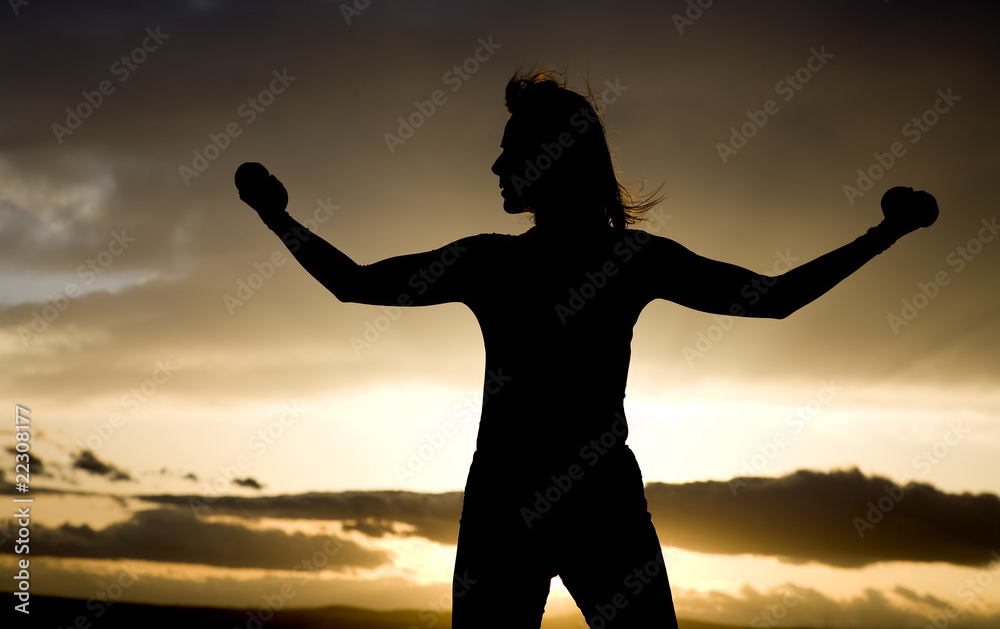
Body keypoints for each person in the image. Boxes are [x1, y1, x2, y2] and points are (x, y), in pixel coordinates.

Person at [234, 71, 938, 628]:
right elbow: (776, 297)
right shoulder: (615, 260)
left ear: (552, 157)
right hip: (581, 501)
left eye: (512, 148)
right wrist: (884, 235)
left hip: (525, 503)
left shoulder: (499, 262)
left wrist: (277, 218)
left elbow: (353, 285)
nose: (496, 164)